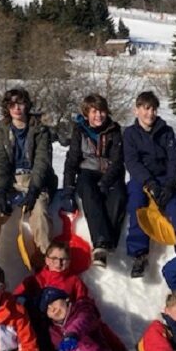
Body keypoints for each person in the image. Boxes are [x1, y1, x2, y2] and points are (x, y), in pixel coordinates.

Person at [0, 89, 56, 260]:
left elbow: (42, 162)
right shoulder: (2, 130)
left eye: (20, 103)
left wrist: (34, 189)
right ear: (7, 108)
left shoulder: (40, 130)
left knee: (40, 212)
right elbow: (0, 162)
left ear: (27, 105)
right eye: (12, 104)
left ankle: (44, 259)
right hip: (10, 181)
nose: (17, 108)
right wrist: (1, 190)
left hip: (34, 180)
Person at [122, 91, 176, 278]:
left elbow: (175, 159)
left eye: (153, 109)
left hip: (164, 178)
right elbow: (132, 162)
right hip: (141, 179)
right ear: (137, 110)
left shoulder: (166, 131)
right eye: (146, 109)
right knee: (137, 205)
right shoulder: (130, 134)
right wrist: (149, 183)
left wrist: (170, 184)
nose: (150, 113)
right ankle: (139, 253)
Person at [60, 93, 126, 267]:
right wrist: (68, 186)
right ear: (87, 113)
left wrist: (105, 182)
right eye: (94, 111)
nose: (99, 115)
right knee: (89, 193)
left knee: (118, 195)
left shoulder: (114, 130)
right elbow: (72, 159)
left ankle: (109, 241)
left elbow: (118, 160)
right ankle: (100, 243)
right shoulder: (80, 131)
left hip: (110, 172)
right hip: (87, 171)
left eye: (102, 111)